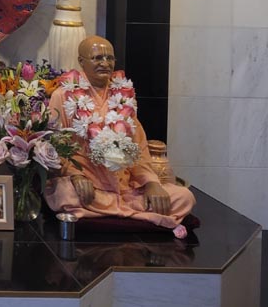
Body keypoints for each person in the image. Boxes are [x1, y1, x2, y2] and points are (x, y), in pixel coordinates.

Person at [44, 36, 196, 230]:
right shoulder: (63, 95)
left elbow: (139, 147)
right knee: (66, 194)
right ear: (81, 61)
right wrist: (75, 175)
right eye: (98, 58)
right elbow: (54, 146)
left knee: (184, 197)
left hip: (125, 187)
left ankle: (106, 213)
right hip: (87, 185)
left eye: (110, 58)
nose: (105, 63)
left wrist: (151, 182)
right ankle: (136, 215)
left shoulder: (124, 96)